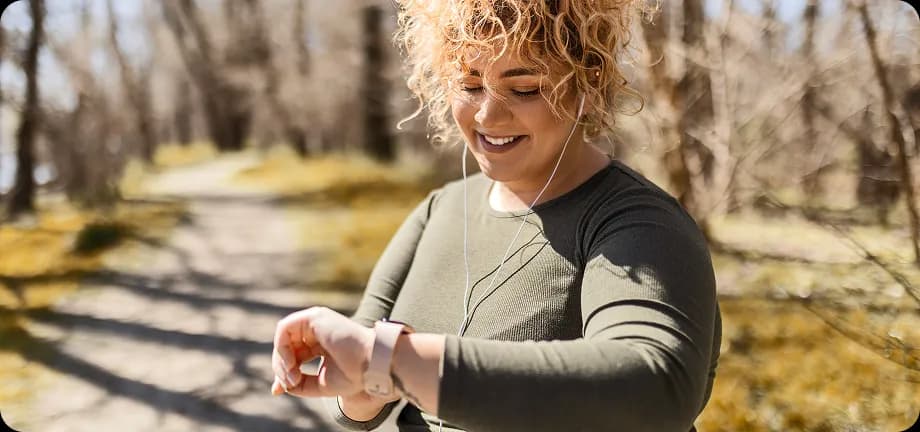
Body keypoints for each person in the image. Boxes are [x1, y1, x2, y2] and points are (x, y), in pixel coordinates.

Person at [271, 1, 721, 431]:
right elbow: (358, 379)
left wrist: (394, 362)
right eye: (469, 86)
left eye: (524, 88)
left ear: (588, 81)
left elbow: (655, 388)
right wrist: (361, 382)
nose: (488, 114)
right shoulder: (440, 209)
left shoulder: (639, 224)